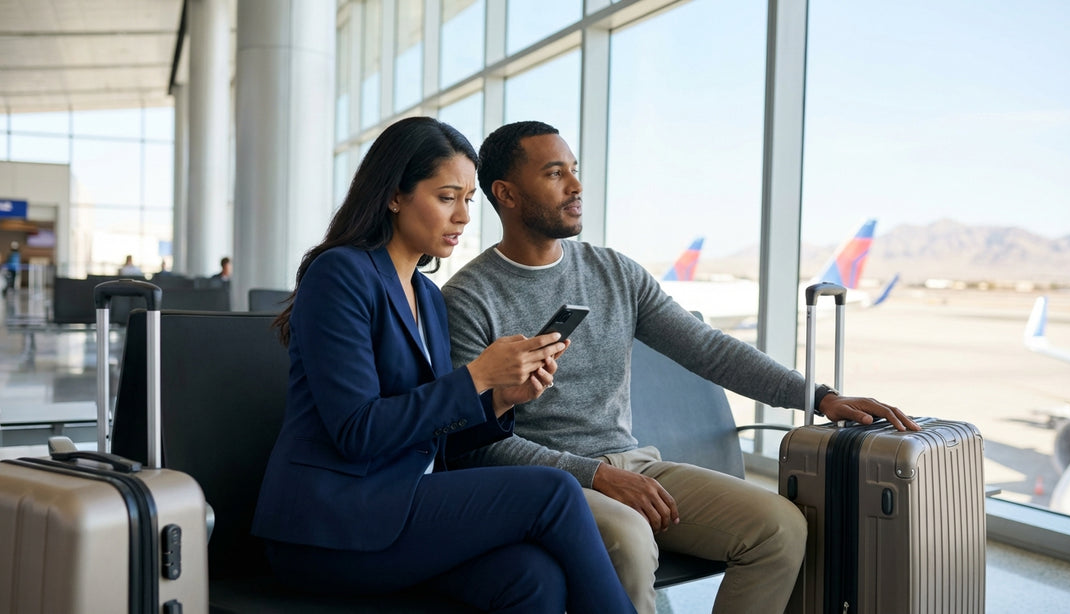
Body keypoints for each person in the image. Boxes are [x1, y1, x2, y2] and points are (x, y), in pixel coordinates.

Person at [441, 120, 921, 614]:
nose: (577, 185)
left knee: (779, 528)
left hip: (636, 463)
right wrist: (596, 476)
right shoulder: (469, 299)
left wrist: (820, 397)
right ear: (508, 194)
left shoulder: (614, 272)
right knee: (629, 540)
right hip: (549, 483)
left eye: (575, 170)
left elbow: (709, 349)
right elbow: (478, 445)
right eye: (555, 173)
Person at [250, 117, 635, 614]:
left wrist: (497, 400)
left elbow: (435, 437)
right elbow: (358, 432)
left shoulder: (429, 297)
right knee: (555, 491)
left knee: (532, 578)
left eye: (469, 200)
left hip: (401, 504)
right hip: (330, 525)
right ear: (394, 196)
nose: (463, 217)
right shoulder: (340, 275)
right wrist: (477, 376)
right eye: (447, 197)